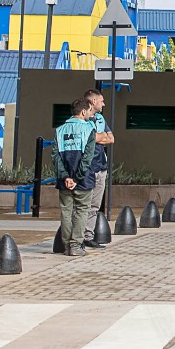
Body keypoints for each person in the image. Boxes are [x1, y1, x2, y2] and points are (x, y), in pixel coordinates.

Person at [55, 98, 97, 256]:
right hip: (83, 180)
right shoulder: (89, 129)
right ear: (84, 111)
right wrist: (77, 178)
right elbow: (87, 158)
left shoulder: (59, 130)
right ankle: (76, 246)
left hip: (63, 181)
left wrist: (66, 177)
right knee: (81, 211)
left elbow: (56, 157)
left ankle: (66, 246)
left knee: (66, 212)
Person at [81, 88, 115, 250]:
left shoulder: (100, 118)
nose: (104, 103)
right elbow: (90, 137)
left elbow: (111, 138)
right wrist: (99, 137)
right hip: (86, 167)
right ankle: (77, 237)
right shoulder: (82, 118)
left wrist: (98, 138)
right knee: (82, 205)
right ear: (93, 102)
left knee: (94, 205)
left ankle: (88, 236)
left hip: (101, 166)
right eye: (101, 101)